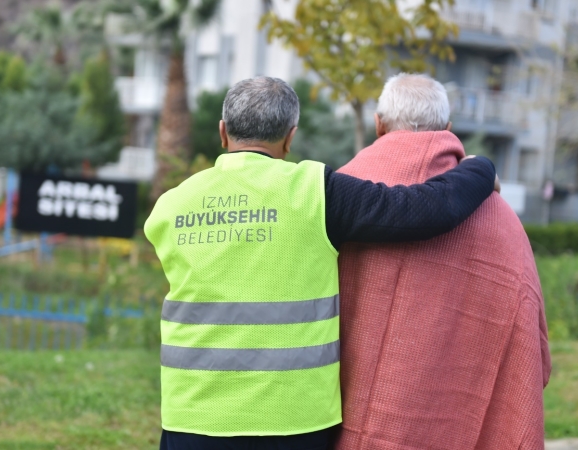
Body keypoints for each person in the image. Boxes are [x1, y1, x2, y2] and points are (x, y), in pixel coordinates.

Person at [144, 76, 498, 450]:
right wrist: (480, 168)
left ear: (222, 131)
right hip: (293, 422)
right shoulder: (316, 191)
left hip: (193, 421)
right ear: (289, 136)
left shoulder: (171, 205)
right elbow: (428, 209)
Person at [334, 74, 551, 450]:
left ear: (378, 123)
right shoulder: (503, 221)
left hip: (339, 424)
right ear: (448, 129)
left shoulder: (338, 194)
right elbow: (532, 350)